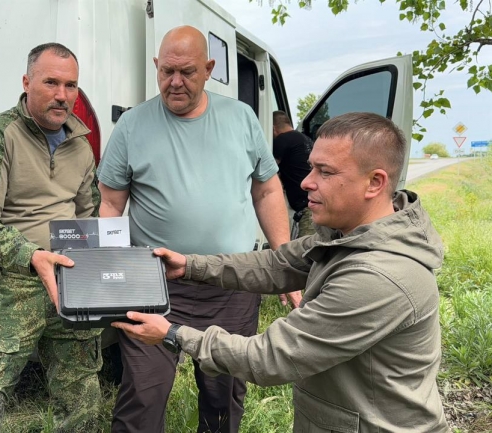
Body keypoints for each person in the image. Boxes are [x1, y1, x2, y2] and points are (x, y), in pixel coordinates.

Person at [114, 112, 450, 432]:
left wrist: (173, 334)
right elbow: (277, 264)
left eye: (325, 172)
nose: (306, 182)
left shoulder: (376, 277)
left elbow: (271, 358)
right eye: (311, 168)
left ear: (374, 183)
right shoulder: (347, 236)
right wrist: (190, 266)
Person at [97, 25, 295, 433]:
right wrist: (109, 272)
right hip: (154, 284)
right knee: (143, 393)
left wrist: (285, 264)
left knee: (223, 395)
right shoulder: (131, 125)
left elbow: (267, 190)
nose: (175, 82)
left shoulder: (240, 118)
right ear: (156, 66)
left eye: (187, 72)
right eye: (166, 71)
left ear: (209, 69)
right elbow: (111, 204)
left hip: (231, 282)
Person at [0, 43, 102, 432]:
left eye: (71, 85)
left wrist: (104, 276)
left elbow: (89, 217)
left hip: (68, 279)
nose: (62, 95)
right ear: (26, 82)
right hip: (9, 283)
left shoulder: (81, 145)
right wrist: (32, 255)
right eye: (51, 82)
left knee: (83, 400)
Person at [272, 110, 315, 238]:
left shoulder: (282, 140)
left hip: (306, 207)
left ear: (273, 129)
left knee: (305, 247)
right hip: (314, 202)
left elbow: (268, 170)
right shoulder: (306, 139)